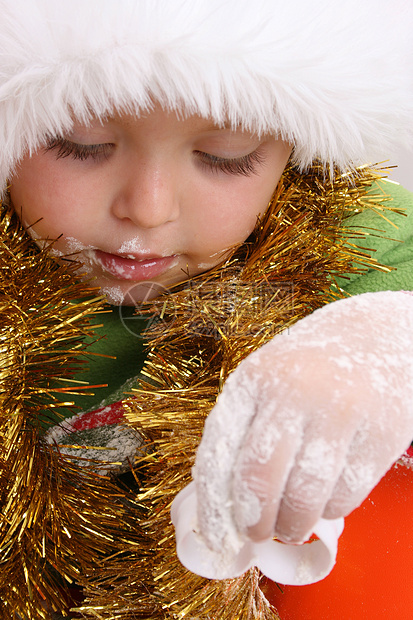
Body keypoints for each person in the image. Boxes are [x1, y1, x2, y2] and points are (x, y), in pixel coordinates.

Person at [0, 0, 412, 618]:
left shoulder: (348, 229)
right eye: (81, 144)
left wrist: (387, 336)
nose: (148, 208)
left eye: (225, 155)